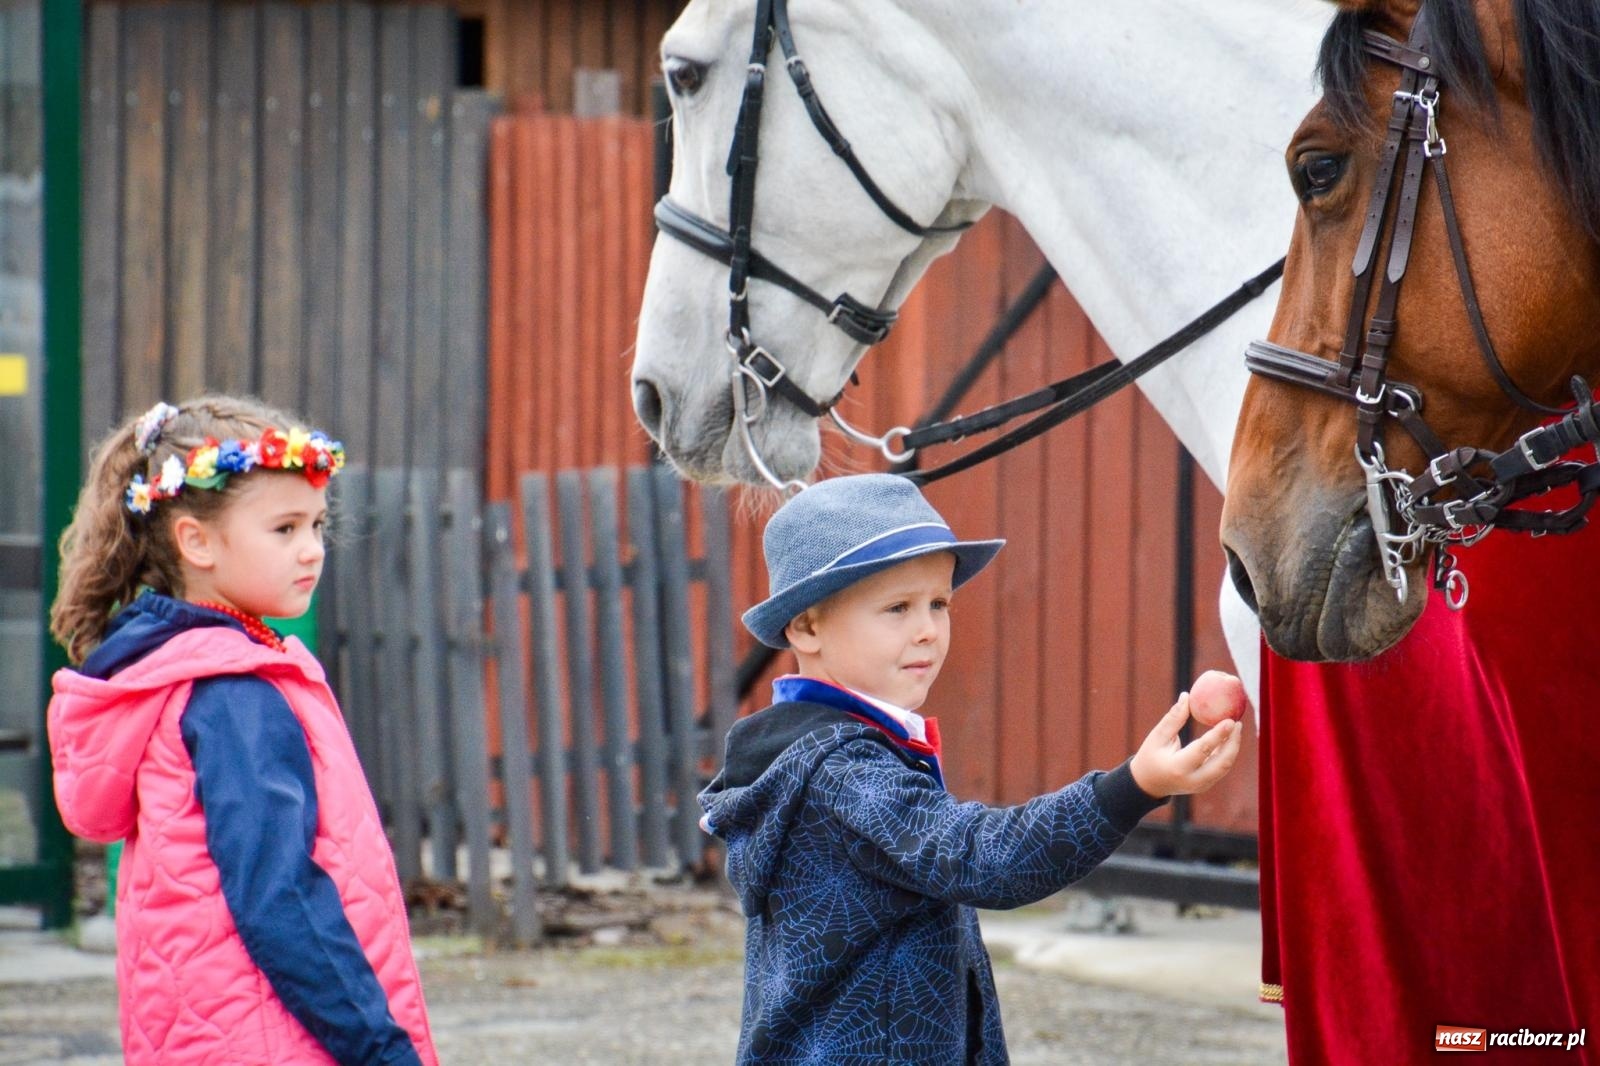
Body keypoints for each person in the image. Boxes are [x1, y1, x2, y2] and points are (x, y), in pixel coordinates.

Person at [699, 473, 1243, 1065]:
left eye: (939, 603)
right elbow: (987, 859)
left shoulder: (827, 750)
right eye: (897, 607)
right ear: (806, 626)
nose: (928, 628)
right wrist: (1135, 785)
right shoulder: (843, 772)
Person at [47, 396, 438, 1066]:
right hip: (276, 1040)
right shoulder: (232, 694)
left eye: (317, 525)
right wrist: (381, 1050)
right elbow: (281, 900)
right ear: (196, 541)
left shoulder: (177, 672)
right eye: (284, 530)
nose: (312, 550)